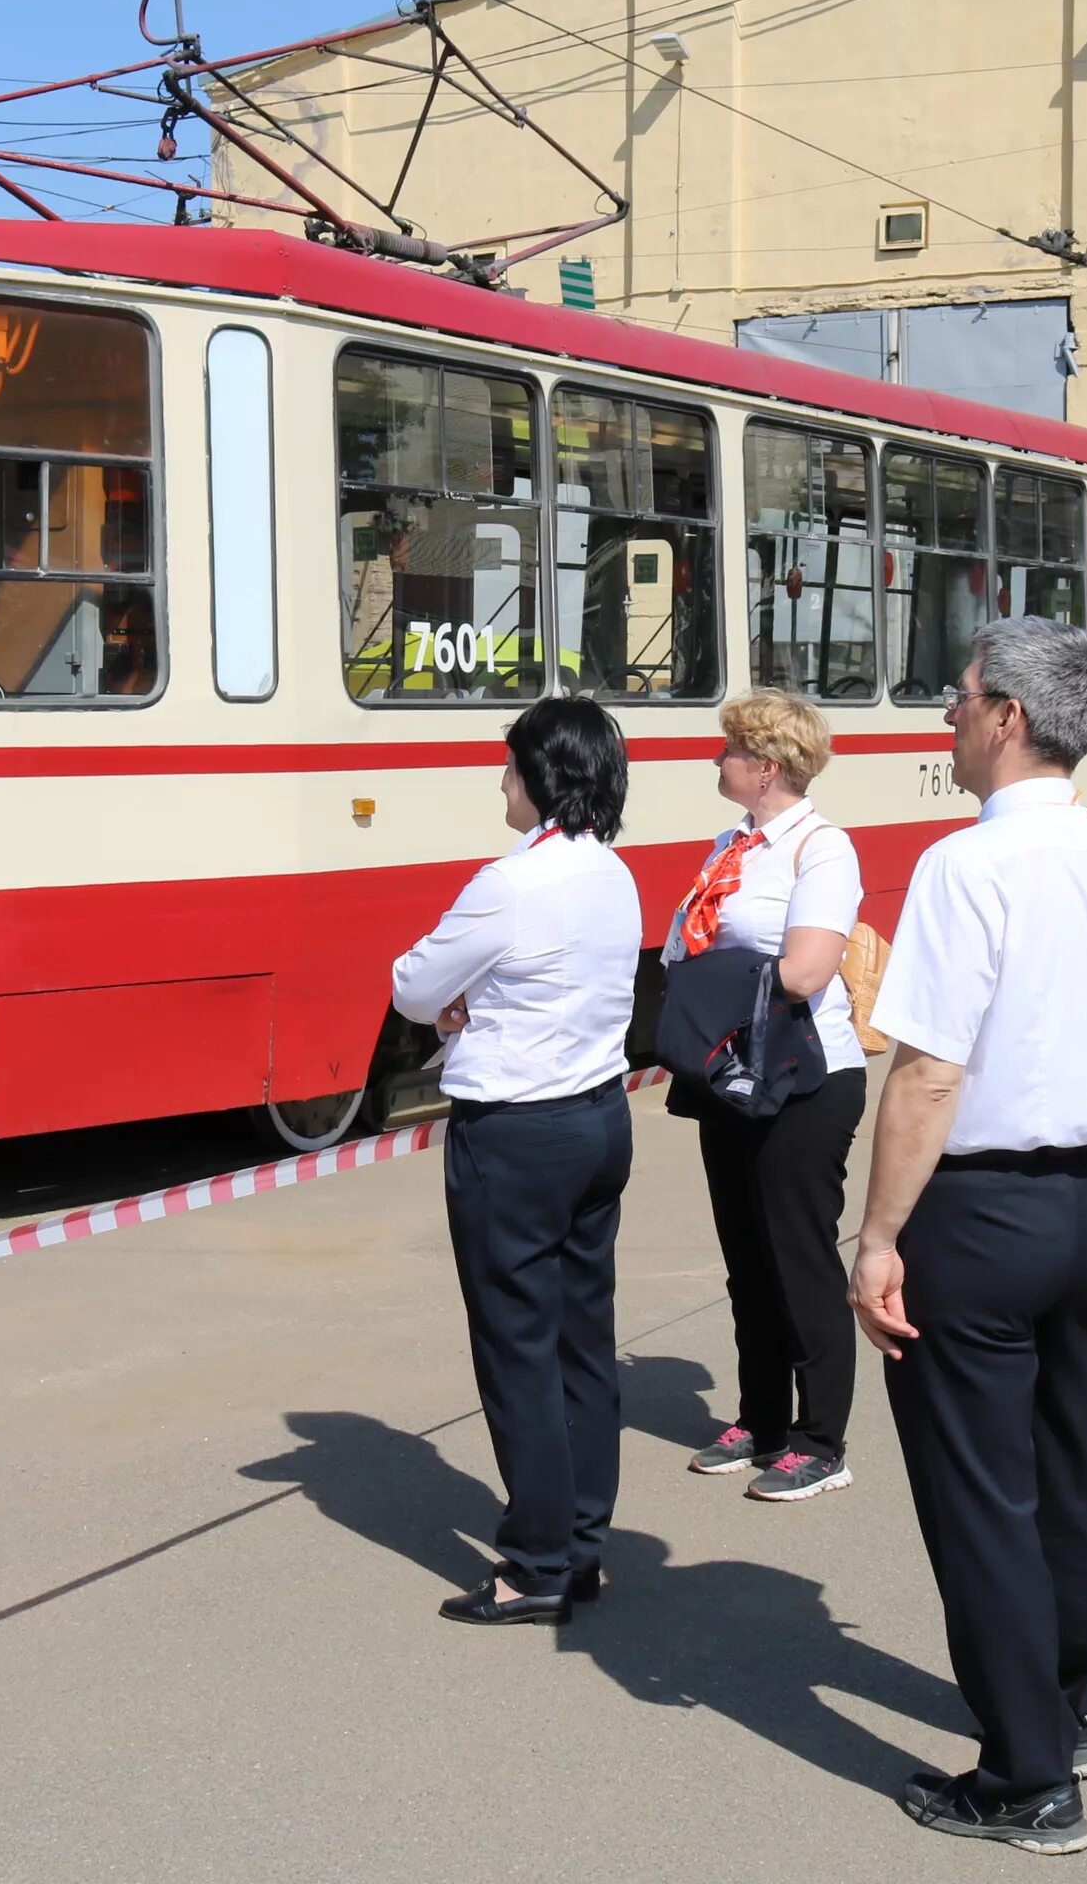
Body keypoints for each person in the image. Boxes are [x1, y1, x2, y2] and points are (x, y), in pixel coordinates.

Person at [849, 618, 1087, 1855]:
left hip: (982, 1207)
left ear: (1008, 718)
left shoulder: (964, 866)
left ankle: (1026, 1774)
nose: (947, 711)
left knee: (979, 1489)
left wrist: (879, 1234)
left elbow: (930, 1070)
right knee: (1064, 1457)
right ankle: (1073, 1695)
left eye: (960, 694)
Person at [391, 695, 643, 1627]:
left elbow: (414, 983)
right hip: (597, 1118)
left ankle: (533, 1562)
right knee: (583, 1340)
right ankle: (580, 1544)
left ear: (540, 777)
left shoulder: (509, 880)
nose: (500, 781)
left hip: (517, 1134)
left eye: (508, 766)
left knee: (517, 1347)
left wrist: (461, 1002)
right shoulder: (612, 874)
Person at [664, 689, 867, 1502]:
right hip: (733, 1073)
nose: (717, 762)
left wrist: (704, 995)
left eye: (728, 751)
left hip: (805, 1075)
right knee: (746, 1258)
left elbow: (808, 969)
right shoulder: (729, 845)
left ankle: (822, 1440)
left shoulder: (822, 849)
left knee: (798, 1256)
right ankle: (761, 1419)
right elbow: (686, 944)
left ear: (766, 767)